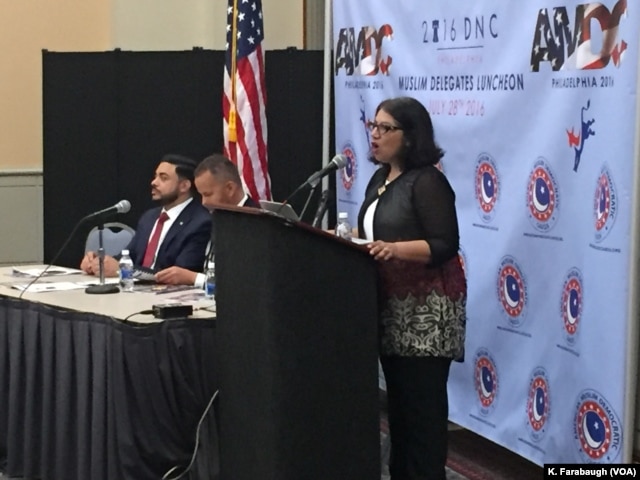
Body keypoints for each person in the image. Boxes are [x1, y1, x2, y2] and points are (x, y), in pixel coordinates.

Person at [357, 96, 466, 480]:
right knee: (399, 412)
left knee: (421, 414)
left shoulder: (428, 181)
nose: (375, 135)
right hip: (389, 310)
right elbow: (372, 233)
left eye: (385, 128)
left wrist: (393, 249)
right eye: (373, 126)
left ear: (410, 135)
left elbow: (444, 243)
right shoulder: (380, 178)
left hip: (425, 316)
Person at [80, 154, 211, 277]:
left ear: (184, 186)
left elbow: (178, 274)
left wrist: (123, 269)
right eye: (155, 176)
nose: (154, 182)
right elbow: (127, 256)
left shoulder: (200, 222)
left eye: (163, 178)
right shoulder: (149, 217)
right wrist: (98, 262)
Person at [154, 153, 259, 286]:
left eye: (208, 194)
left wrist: (194, 278)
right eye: (201, 195)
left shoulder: (255, 224)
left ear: (230, 188)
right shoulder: (219, 216)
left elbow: (244, 283)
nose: (203, 202)